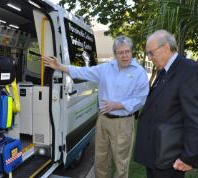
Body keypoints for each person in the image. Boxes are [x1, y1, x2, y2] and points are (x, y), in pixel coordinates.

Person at [43, 36, 149, 178]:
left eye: (127, 51)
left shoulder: (139, 72)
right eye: (120, 52)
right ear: (115, 54)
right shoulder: (106, 68)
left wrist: (119, 105)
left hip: (123, 123)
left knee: (121, 164)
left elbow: (141, 98)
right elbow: (84, 71)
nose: (124, 55)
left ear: (132, 52)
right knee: (100, 160)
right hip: (103, 120)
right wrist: (60, 67)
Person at [134, 30, 198, 178]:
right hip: (156, 152)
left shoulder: (187, 69)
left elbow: (196, 118)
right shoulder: (163, 71)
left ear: (166, 48)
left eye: (151, 53)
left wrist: (188, 157)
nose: (149, 57)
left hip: (170, 157)